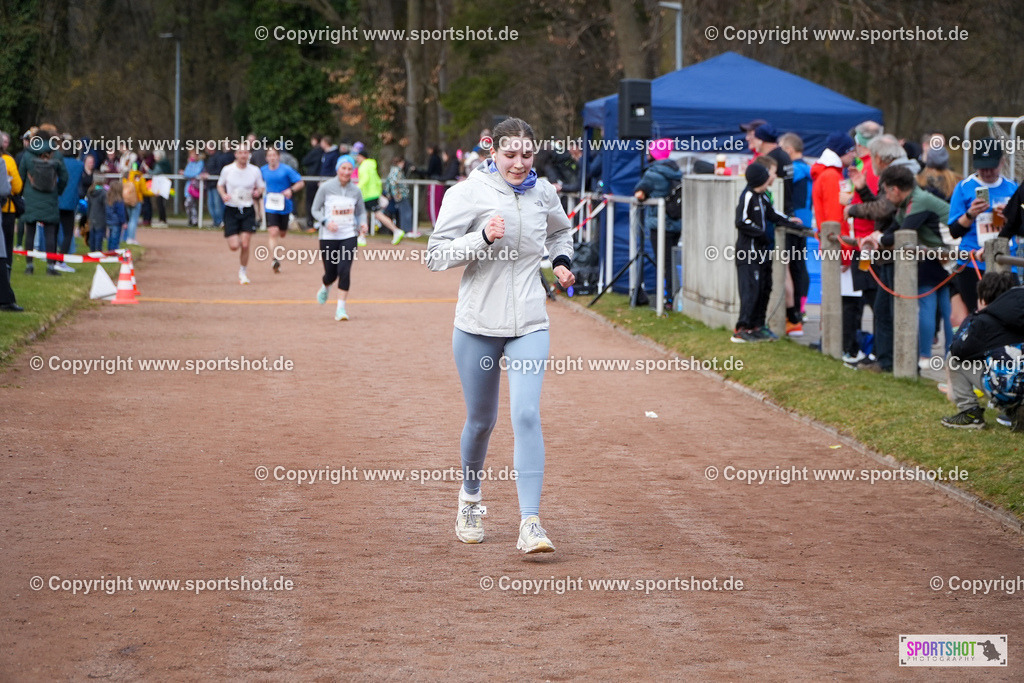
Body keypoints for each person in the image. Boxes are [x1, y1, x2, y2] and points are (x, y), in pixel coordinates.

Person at [427, 117, 574, 554]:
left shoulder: (544, 192)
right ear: (492, 151)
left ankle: (530, 522)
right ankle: (470, 498)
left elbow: (561, 230)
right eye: (510, 154)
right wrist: (482, 238)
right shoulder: (467, 193)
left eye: (527, 155)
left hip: (530, 321)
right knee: (481, 421)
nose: (519, 163)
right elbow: (436, 256)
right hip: (477, 325)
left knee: (526, 414)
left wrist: (561, 259)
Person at [867, 164, 952, 368]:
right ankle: (887, 363)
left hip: (954, 257)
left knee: (949, 312)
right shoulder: (910, 200)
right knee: (884, 308)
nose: (885, 197)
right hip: (939, 258)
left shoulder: (919, 201)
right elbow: (894, 229)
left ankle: (926, 362)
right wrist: (879, 237)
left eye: (886, 191)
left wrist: (878, 237)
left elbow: (901, 235)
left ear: (895, 189)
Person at [947, 139, 1018, 326]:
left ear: (1002, 162)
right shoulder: (964, 187)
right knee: (978, 317)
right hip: (973, 264)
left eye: (991, 167)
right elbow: (954, 231)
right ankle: (977, 354)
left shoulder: (1013, 188)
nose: (987, 172)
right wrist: (971, 214)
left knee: (1009, 318)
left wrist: (1011, 216)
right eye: (982, 168)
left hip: (1006, 264)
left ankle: (1004, 355)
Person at [942, 271, 1024, 431]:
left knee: (954, 359)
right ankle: (1014, 411)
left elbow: (958, 349)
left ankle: (970, 413)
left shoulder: (985, 321)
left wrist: (972, 319)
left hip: (1006, 387)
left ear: (982, 300)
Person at [732, 159, 802, 343]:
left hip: (763, 253)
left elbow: (773, 214)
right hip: (749, 253)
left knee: (765, 288)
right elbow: (741, 221)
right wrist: (761, 234)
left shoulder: (763, 197)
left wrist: (789, 221)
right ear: (758, 180)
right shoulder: (747, 196)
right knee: (751, 290)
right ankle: (742, 328)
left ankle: (758, 325)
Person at [310, 155, 367, 321]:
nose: (346, 172)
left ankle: (340, 309)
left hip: (348, 234)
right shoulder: (326, 188)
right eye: (344, 168)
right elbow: (315, 209)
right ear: (337, 169)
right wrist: (326, 222)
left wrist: (362, 223)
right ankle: (326, 285)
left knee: (344, 270)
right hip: (328, 236)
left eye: (350, 169)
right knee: (331, 273)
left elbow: (361, 212)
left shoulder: (355, 191)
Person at [633, 138, 681, 306]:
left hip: (659, 224)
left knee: (664, 263)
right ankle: (673, 297)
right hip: (676, 224)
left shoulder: (652, 173)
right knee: (673, 262)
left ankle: (668, 301)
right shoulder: (676, 170)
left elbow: (639, 193)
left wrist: (641, 195)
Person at [18, 133, 68, 276]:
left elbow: (21, 175)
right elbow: (64, 177)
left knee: (30, 233)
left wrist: (23, 193)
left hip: (31, 198)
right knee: (50, 234)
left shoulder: (28, 155)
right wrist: (57, 191)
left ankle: (29, 266)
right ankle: (50, 267)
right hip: (50, 199)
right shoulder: (56, 154)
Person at [778, 132, 812, 336]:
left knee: (792, 266)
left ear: (789, 150)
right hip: (805, 220)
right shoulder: (807, 168)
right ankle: (801, 308)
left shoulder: (795, 169)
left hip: (794, 222)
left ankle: (796, 311)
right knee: (799, 265)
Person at [217, 144, 265, 284]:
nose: (243, 155)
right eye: (240, 152)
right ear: (236, 154)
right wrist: (223, 195)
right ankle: (233, 237)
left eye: (246, 152)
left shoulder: (255, 170)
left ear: (249, 154)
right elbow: (220, 185)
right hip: (231, 209)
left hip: (248, 209)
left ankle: (243, 271)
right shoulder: (228, 170)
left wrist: (258, 192)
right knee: (234, 246)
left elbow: (261, 186)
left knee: (245, 244)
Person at [260, 146, 304, 273]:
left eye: (274, 155)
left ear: (278, 157)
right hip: (270, 206)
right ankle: (275, 259)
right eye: (269, 155)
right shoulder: (262, 171)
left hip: (284, 205)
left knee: (282, 233)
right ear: (266, 158)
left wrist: (291, 190)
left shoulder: (286, 170)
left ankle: (282, 231)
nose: (272, 158)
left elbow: (300, 183)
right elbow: (257, 183)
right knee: (273, 232)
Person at [355, 148, 404, 246]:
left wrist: (356, 188)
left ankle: (395, 230)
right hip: (372, 194)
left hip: (367, 195)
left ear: (361, 156)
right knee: (366, 214)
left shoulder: (364, 166)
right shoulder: (371, 166)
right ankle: (362, 236)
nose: (357, 158)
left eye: (358, 156)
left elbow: (365, 179)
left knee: (375, 214)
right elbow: (377, 181)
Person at [1, 132, 23, 310]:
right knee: (6, 250)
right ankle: (6, 291)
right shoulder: (7, 161)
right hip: (5, 209)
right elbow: (16, 186)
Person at [56, 144, 84, 272]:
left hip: (57, 199)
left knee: (53, 231)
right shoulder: (79, 165)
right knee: (68, 233)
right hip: (70, 203)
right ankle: (61, 260)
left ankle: (51, 259)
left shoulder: (59, 163)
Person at [383, 156, 413, 234]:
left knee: (404, 212)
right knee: (406, 212)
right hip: (401, 195)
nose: (403, 164)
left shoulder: (394, 170)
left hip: (400, 195)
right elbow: (392, 183)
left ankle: (405, 229)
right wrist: (396, 194)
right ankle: (406, 230)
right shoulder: (396, 171)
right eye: (402, 163)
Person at [302, 134, 323, 231]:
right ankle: (318, 223)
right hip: (320, 180)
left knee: (310, 202)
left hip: (312, 179)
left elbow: (304, 161)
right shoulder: (324, 152)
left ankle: (310, 223)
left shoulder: (315, 151)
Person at [182, 151, 205, 227]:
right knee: (189, 204)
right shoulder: (190, 163)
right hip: (189, 188)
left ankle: (194, 220)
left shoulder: (201, 163)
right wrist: (187, 173)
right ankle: (192, 220)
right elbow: (187, 172)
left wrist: (186, 173)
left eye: (194, 155)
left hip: (196, 187)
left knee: (192, 204)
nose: (192, 156)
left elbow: (196, 173)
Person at [105, 180, 127, 251]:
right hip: (116, 223)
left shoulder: (108, 200)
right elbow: (121, 213)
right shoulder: (119, 201)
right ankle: (114, 252)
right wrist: (123, 222)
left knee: (110, 238)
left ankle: (109, 250)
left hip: (109, 221)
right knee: (115, 238)